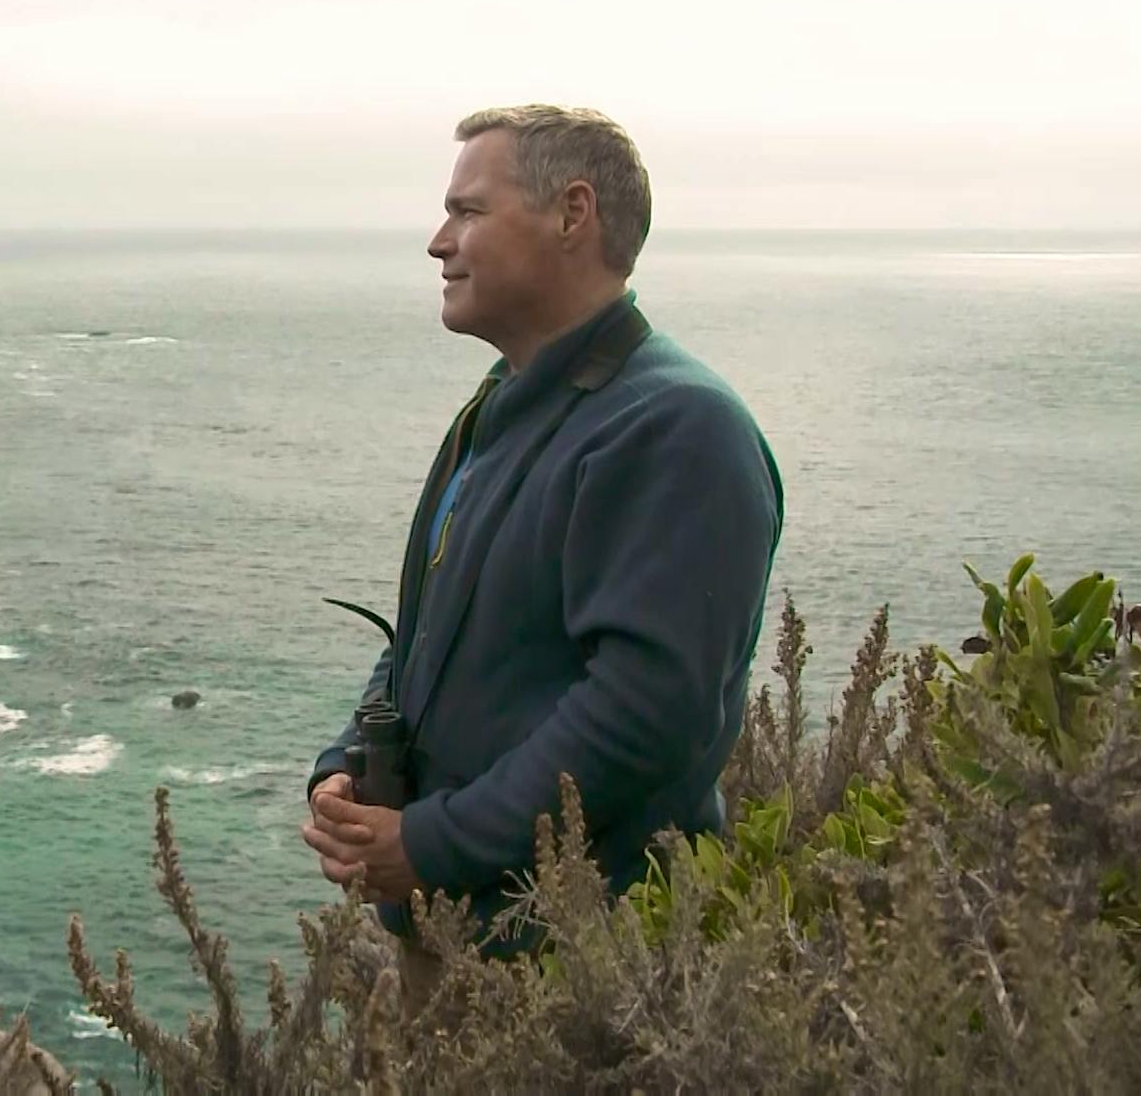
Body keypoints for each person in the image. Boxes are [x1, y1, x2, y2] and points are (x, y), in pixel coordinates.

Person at [300, 105, 784, 982]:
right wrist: (349, 767)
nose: (440, 241)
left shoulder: (677, 428)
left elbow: (645, 716)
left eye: (469, 212)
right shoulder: (504, 406)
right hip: (458, 942)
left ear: (572, 214)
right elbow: (427, 639)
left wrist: (431, 842)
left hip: (581, 972)